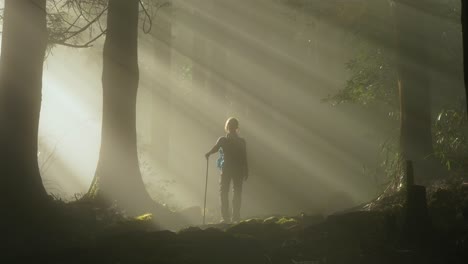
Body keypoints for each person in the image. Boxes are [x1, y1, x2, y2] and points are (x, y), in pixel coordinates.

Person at [205, 117, 248, 223]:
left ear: (228, 127)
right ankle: (233, 217)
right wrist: (246, 169)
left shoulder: (224, 140)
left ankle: (227, 217)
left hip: (228, 169)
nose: (231, 127)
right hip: (235, 169)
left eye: (232, 125)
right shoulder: (237, 141)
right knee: (235, 192)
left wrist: (209, 153)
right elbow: (244, 157)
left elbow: (215, 148)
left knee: (225, 192)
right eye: (231, 125)